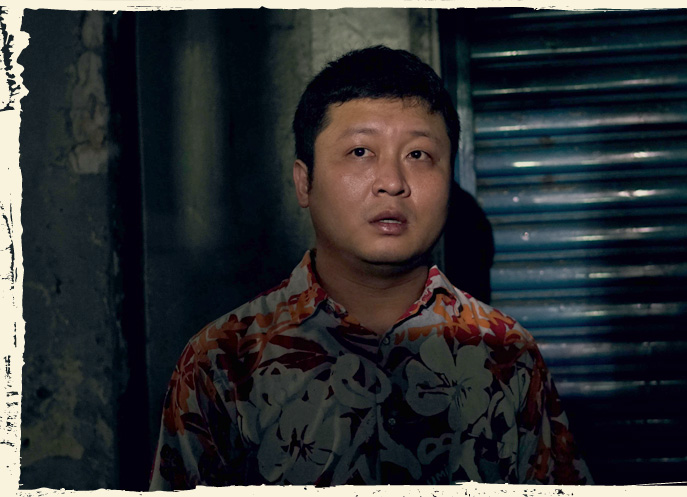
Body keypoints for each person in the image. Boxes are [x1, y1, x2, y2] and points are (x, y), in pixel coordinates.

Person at [149, 45, 593, 489]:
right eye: (360, 151)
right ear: (304, 182)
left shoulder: (508, 352)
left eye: (418, 155)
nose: (393, 183)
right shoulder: (223, 360)